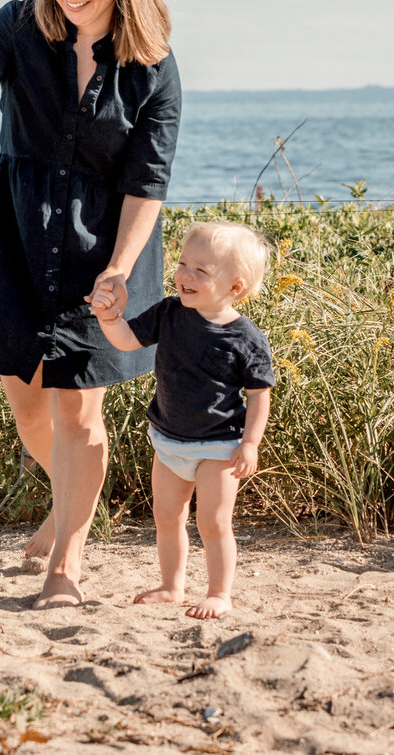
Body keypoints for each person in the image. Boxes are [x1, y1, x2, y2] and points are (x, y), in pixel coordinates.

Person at [0, 0, 181, 609]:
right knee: (27, 403)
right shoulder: (18, 23)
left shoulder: (154, 66)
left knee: (79, 416)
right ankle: (69, 500)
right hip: (19, 235)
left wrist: (120, 269)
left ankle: (66, 565)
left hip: (105, 249)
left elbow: (147, 185)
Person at [90, 221, 274, 619]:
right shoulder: (170, 313)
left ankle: (219, 593)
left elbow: (259, 396)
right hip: (169, 439)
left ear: (235, 287)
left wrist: (250, 444)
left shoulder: (246, 338)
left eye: (201, 271)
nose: (185, 276)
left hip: (219, 446)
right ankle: (172, 586)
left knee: (213, 522)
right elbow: (127, 339)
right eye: (183, 263)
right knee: (167, 517)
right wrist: (108, 319)